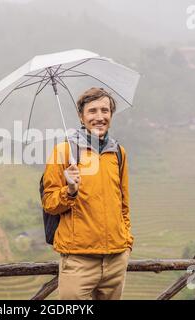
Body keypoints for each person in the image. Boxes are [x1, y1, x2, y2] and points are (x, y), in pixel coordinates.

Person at [41, 87, 134, 300]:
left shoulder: (119, 153)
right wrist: (70, 191)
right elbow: (49, 203)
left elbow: (124, 203)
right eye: (92, 111)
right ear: (81, 116)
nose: (99, 117)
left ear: (111, 114)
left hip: (116, 259)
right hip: (79, 261)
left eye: (105, 110)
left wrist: (126, 242)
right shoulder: (64, 152)